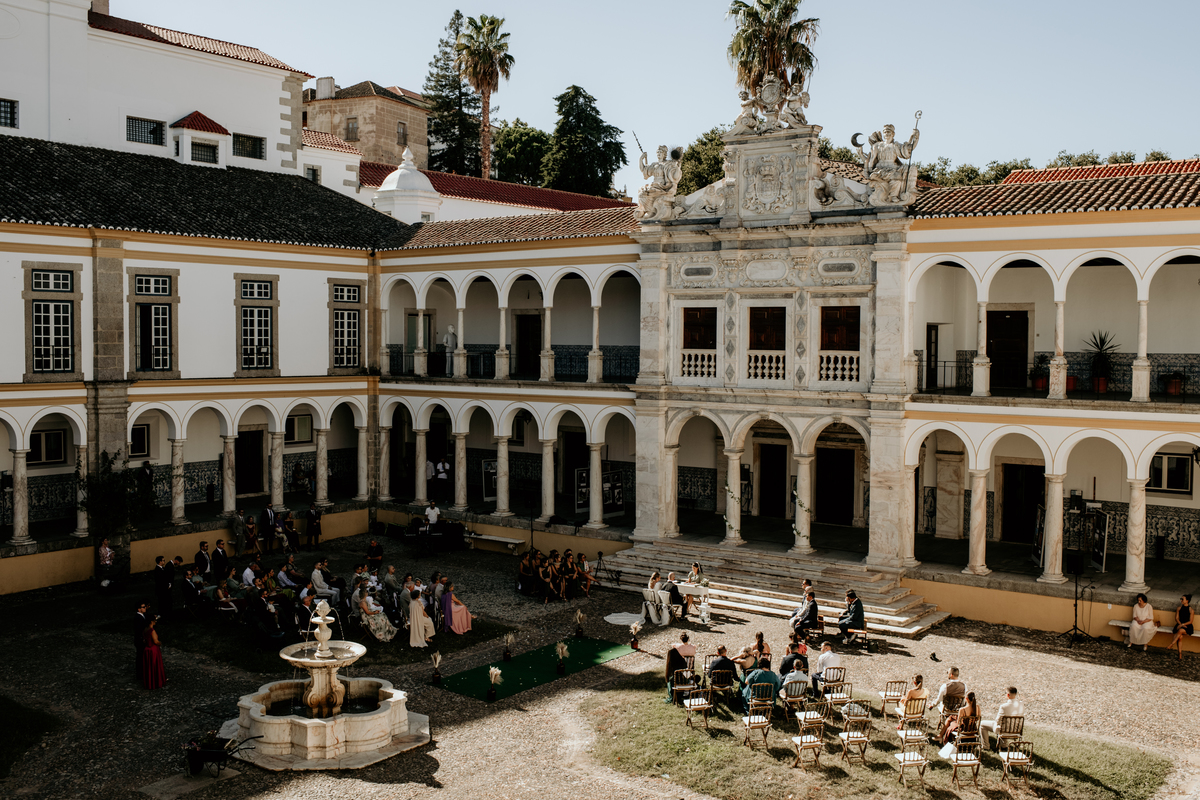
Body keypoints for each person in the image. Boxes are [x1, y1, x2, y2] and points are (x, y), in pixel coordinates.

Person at [141, 616, 166, 689]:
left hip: (147, 649)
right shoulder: (152, 630)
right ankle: (156, 682)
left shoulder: (145, 629)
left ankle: (149, 682)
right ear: (151, 622)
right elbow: (155, 641)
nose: (155, 621)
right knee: (154, 665)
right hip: (153, 650)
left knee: (149, 666)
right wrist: (160, 643)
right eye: (155, 620)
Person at [1170, 594, 1193, 661]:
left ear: (1187, 601)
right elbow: (1176, 618)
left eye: (1182, 599)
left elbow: (1190, 621)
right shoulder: (1179, 608)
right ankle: (1180, 654)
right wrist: (1180, 624)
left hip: (1187, 626)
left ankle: (1172, 643)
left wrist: (1183, 625)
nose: (1181, 600)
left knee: (1180, 631)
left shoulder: (1191, 610)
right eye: (1181, 599)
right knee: (1180, 637)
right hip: (1179, 624)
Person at [133, 600, 149, 678]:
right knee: (140, 656)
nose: (145, 608)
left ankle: (141, 672)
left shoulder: (142, 616)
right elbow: (138, 630)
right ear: (139, 609)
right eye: (143, 607)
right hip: (140, 640)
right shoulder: (138, 618)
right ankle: (140, 673)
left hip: (140, 639)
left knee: (141, 656)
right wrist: (142, 638)